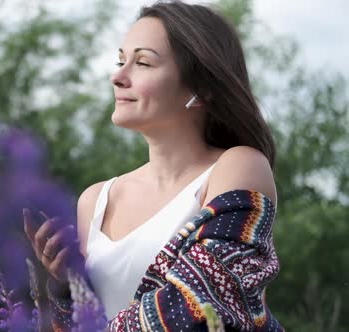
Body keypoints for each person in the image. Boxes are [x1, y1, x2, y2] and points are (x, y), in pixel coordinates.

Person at [24, 1, 283, 331]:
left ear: (201, 88)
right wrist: (66, 285)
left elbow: (202, 304)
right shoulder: (96, 200)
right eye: (121, 61)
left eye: (143, 62)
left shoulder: (237, 167)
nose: (118, 76)